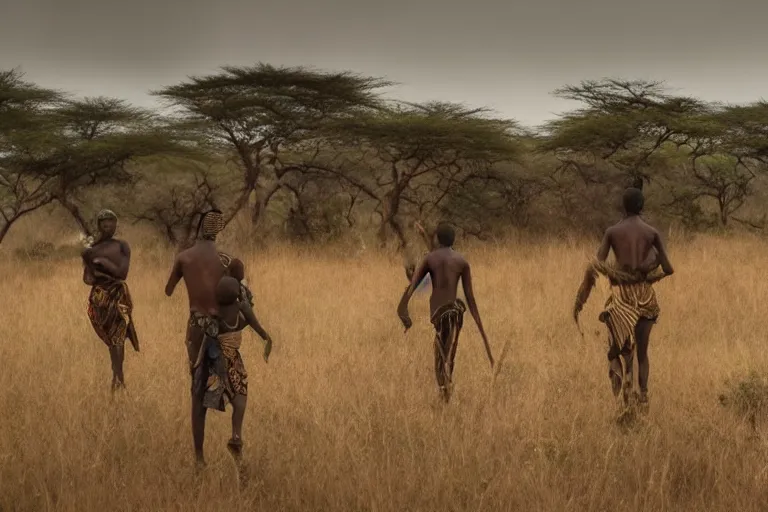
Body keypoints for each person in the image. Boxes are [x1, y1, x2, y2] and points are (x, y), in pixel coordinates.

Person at [573, 186, 674, 414]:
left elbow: (596, 265)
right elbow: (669, 268)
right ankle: (643, 398)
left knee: (620, 350)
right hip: (645, 297)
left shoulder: (612, 232)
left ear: (624, 206)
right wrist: (650, 267)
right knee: (642, 353)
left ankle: (624, 401)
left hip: (621, 298)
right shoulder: (652, 232)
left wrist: (583, 296)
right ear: (642, 206)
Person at [397, 222, 494, 403]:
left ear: (438, 239)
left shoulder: (430, 259)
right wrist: (483, 334)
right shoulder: (461, 261)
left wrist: (403, 311)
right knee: (449, 352)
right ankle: (446, 390)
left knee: (441, 353)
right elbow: (470, 298)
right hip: (456, 312)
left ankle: (444, 393)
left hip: (439, 313)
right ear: (453, 239)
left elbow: (413, 287)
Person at [164, 209, 232, 466]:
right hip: (223, 328)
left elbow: (168, 290)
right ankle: (235, 436)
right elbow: (242, 295)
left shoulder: (184, 257)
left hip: (196, 328)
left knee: (196, 391)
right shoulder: (227, 260)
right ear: (218, 230)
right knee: (233, 381)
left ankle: (199, 457)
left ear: (200, 228)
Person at [200, 275, 272, 461]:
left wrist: (198, 362)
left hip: (217, 362)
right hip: (233, 361)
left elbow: (206, 342)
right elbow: (256, 324)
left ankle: (234, 440)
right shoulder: (242, 312)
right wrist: (267, 339)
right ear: (236, 296)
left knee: (210, 403)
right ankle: (236, 436)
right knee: (240, 400)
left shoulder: (215, 316)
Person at [81, 209, 139, 393]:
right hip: (99, 297)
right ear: (98, 226)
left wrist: (102, 263)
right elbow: (88, 279)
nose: (108, 226)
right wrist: (89, 260)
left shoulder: (122, 246)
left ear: (116, 224)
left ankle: (118, 376)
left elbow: (122, 273)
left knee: (118, 337)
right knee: (111, 338)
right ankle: (117, 376)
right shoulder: (92, 250)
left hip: (118, 295)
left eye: (111, 222)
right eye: (104, 223)